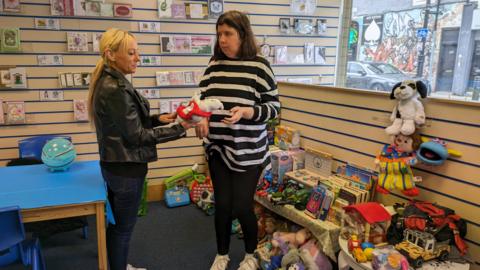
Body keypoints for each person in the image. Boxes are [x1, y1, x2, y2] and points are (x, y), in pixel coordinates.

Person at [87, 28, 191, 270]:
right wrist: (181, 128)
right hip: (125, 170)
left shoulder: (112, 81)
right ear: (111, 54)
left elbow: (126, 124)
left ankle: (118, 266)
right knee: (123, 228)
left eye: (137, 52)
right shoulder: (114, 88)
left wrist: (158, 119)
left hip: (117, 166)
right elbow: (137, 137)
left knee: (118, 226)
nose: (137, 58)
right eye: (131, 53)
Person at [195, 11, 280, 270]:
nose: (222, 39)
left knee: (242, 206)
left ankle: (250, 255)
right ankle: (222, 255)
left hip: (249, 152)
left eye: (228, 34)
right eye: (219, 34)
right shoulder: (214, 64)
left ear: (242, 35)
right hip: (218, 147)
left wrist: (247, 112)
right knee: (222, 205)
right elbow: (200, 98)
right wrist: (201, 117)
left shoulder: (260, 66)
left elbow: (274, 108)